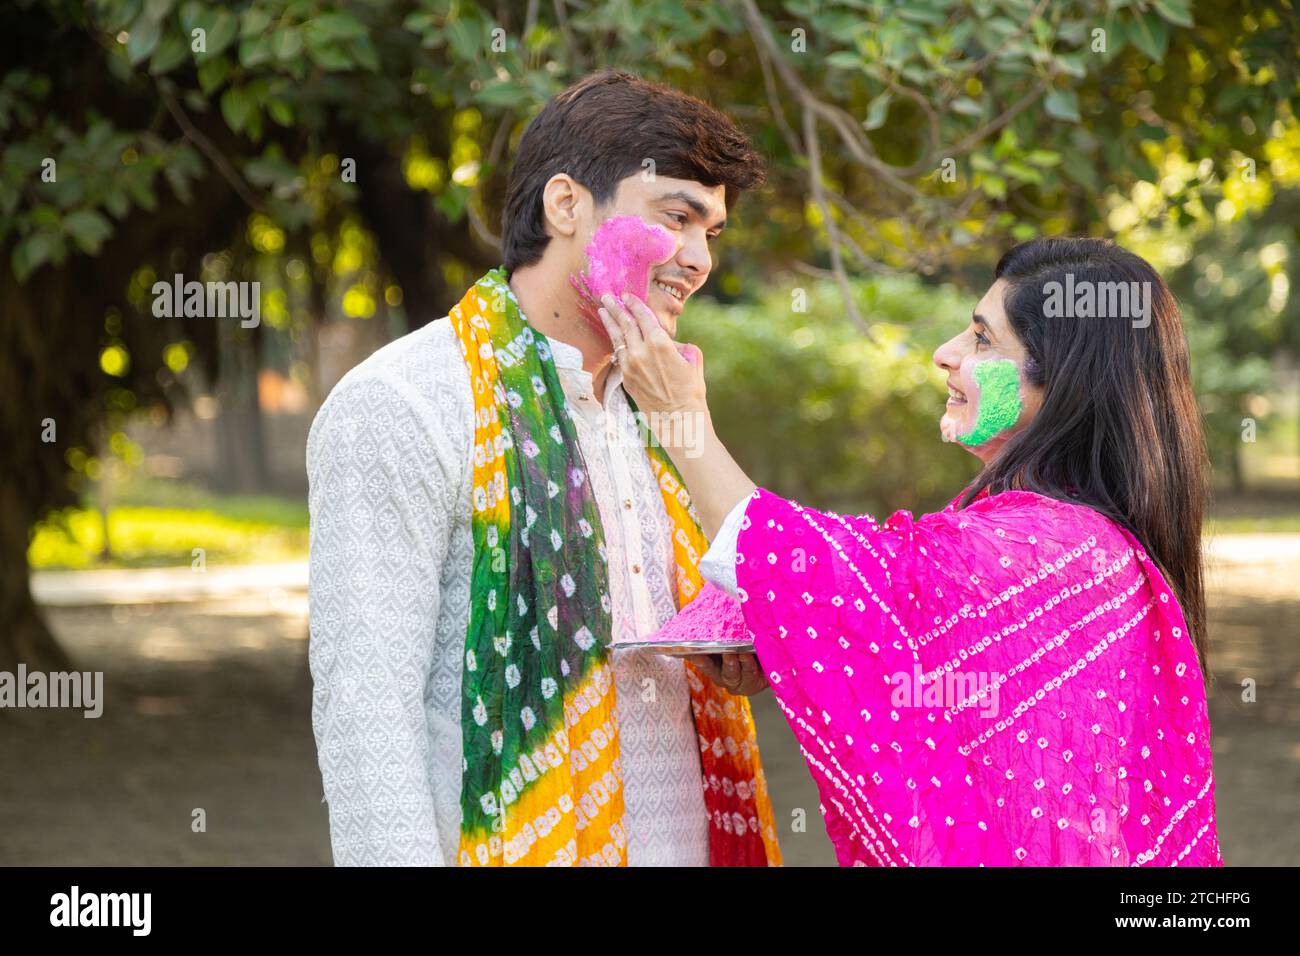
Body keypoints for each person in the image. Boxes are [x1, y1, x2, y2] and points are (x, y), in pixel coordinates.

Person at [601, 236, 1223, 866]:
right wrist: (774, 632)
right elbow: (918, 649)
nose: (945, 354)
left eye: (982, 339)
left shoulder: (1051, 547)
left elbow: (841, 573)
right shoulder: (1077, 543)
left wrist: (682, 416)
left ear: (1062, 382)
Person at [306, 70, 783, 867]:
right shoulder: (406, 401)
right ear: (567, 206)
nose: (699, 260)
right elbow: (365, 709)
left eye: (713, 233)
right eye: (677, 218)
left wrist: (739, 647)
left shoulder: (663, 404)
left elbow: (754, 596)